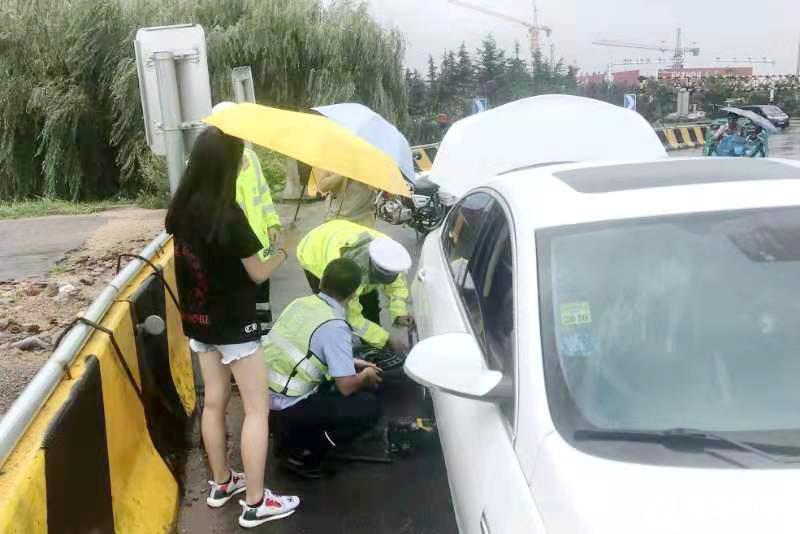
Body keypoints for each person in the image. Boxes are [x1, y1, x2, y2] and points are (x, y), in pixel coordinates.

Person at [165, 126, 300, 529]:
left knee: (214, 401)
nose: (243, 161)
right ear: (224, 163)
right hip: (235, 325)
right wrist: (282, 250)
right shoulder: (228, 213)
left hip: (199, 322)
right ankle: (257, 502)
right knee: (258, 409)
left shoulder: (181, 210)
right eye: (239, 155)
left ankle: (222, 483)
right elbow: (257, 273)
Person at [265, 258, 384, 478]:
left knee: (344, 380)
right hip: (288, 405)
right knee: (368, 406)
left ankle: (286, 432)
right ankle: (303, 451)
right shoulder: (334, 325)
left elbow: (305, 348)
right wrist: (366, 376)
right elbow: (346, 386)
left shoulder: (301, 303)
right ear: (354, 292)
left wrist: (353, 363)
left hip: (263, 396)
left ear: (322, 281)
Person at [212, 102, 282, 339]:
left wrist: (272, 223)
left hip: (259, 242)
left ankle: (265, 341)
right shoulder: (209, 161)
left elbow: (263, 193)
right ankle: (242, 344)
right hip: (232, 248)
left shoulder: (250, 156)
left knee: (262, 299)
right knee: (239, 301)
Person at [296, 219, 413, 351]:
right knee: (332, 309)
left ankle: (371, 344)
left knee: (369, 302)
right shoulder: (345, 274)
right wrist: (385, 339)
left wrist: (399, 313)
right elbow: (351, 315)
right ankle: (331, 348)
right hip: (314, 251)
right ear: (371, 270)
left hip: (340, 233)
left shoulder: (388, 253)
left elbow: (397, 285)